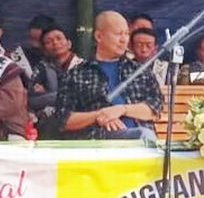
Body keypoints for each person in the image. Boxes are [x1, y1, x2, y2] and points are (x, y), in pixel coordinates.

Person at [56, 10, 162, 140]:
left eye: (126, 34)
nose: (124, 40)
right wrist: (99, 115)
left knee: (144, 135)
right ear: (99, 36)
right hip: (98, 142)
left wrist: (122, 109)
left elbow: (155, 109)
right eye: (118, 34)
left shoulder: (141, 71)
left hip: (140, 139)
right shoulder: (77, 74)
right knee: (143, 136)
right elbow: (63, 120)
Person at [28, 26, 83, 137]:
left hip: (78, 122)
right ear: (44, 49)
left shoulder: (85, 67)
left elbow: (83, 97)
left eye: (59, 38)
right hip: (48, 125)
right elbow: (32, 100)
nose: (55, 43)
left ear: (69, 43)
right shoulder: (40, 69)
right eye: (49, 41)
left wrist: (48, 95)